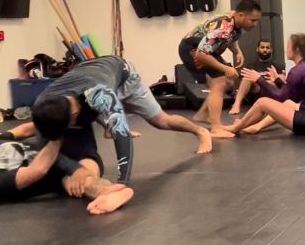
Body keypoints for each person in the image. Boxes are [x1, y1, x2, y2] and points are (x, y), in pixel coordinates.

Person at [32, 55, 212, 183]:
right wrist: (74, 169)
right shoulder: (43, 103)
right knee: (100, 116)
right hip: (89, 75)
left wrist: (121, 184)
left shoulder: (100, 94)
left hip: (124, 77)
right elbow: (43, 141)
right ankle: (108, 125)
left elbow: (123, 139)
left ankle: (200, 131)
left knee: (160, 121)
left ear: (72, 117)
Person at [0, 123, 134, 214]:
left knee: (73, 103)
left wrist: (49, 119)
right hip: (64, 170)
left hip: (69, 145)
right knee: (78, 178)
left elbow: (21, 130)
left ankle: (111, 124)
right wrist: (56, 134)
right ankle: (109, 192)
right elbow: (37, 171)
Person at [178, 0, 262, 138]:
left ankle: (202, 114)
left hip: (208, 50)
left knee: (228, 81)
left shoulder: (235, 19)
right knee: (221, 81)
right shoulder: (223, 27)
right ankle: (215, 128)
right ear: (240, 15)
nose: (255, 24)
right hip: (192, 49)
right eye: (252, 20)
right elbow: (201, 54)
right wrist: (225, 68)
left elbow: (230, 38)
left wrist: (237, 51)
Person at [230, 33, 305, 135]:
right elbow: (290, 97)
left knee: (262, 102)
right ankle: (257, 126)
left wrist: (259, 79)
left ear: (296, 50)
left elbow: (280, 98)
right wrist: (277, 81)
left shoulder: (298, 70)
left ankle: (235, 128)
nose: (285, 50)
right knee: (288, 104)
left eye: (288, 46)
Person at [230, 40, 282, 114]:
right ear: (257, 49)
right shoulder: (251, 66)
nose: (265, 50)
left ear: (271, 50)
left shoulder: (277, 66)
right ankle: (236, 105)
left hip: (271, 93)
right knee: (247, 78)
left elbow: (282, 83)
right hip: (256, 91)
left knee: (277, 79)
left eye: (267, 48)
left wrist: (272, 80)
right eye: (262, 47)